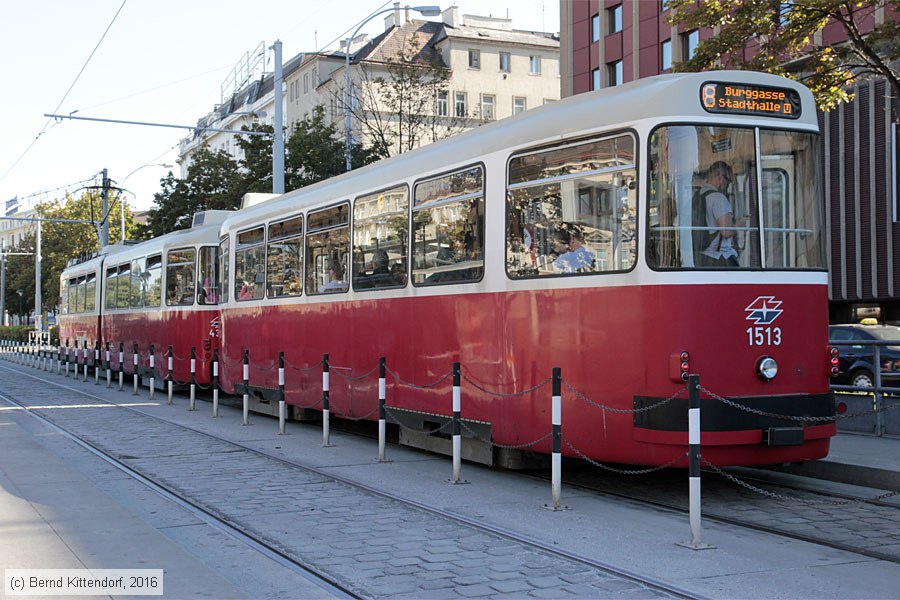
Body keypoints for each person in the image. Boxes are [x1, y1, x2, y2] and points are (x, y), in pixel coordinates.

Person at [695, 161, 739, 267]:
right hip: (719, 257)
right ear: (720, 177)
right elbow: (726, 231)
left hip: (702, 256)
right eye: (728, 180)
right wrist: (739, 224)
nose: (728, 185)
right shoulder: (718, 198)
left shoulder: (697, 195)